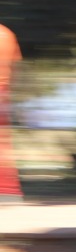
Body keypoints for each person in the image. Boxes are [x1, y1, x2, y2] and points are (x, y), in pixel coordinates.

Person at [0, 24, 23, 204]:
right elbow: (16, 68)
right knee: (2, 143)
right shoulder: (7, 33)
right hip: (3, 93)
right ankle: (8, 191)